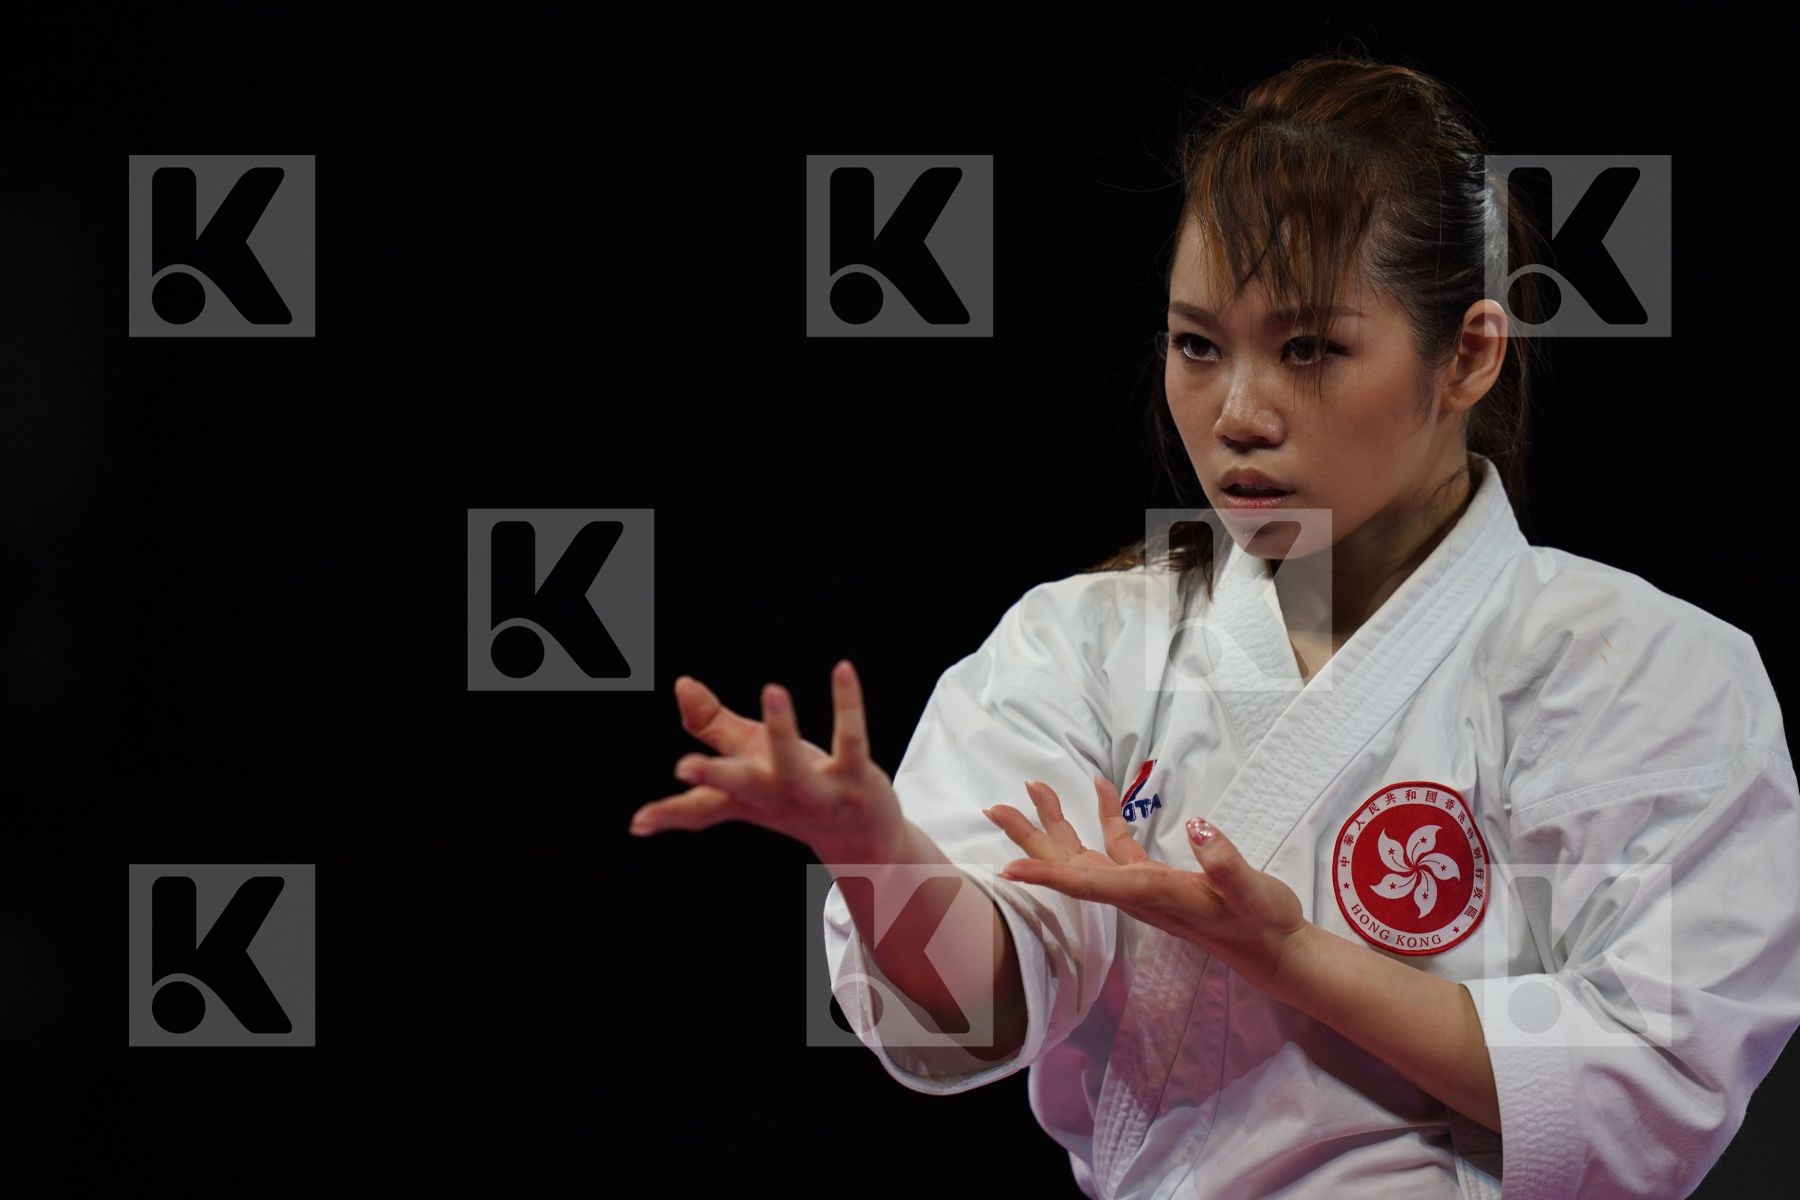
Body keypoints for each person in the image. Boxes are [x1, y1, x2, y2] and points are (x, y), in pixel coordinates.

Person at [628, 51, 1800, 1199]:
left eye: (1310, 349)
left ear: (1470, 356)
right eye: (1198, 345)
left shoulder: (1643, 669)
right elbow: (978, 995)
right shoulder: (1082, 649)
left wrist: (1291, 957)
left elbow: (1656, 1081)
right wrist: (876, 851)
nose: (1238, 413)